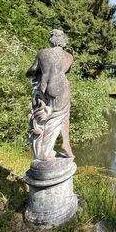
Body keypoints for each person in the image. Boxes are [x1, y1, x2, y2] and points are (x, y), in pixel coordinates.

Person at [26, 29, 74, 160]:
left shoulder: (43, 53)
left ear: (51, 39)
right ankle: (59, 147)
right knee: (60, 116)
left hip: (46, 87)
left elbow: (32, 70)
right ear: (63, 41)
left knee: (49, 117)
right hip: (63, 87)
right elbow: (66, 70)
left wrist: (31, 72)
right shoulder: (69, 56)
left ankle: (51, 149)